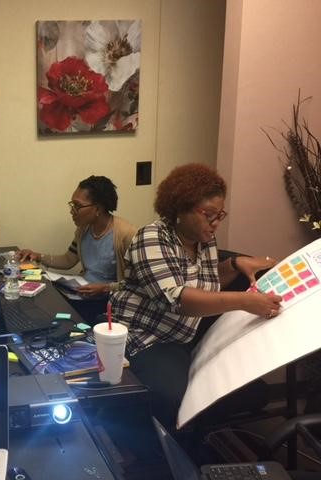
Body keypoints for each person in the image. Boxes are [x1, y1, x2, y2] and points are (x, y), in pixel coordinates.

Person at [110, 163, 282, 428]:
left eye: (220, 215)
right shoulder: (152, 237)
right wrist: (245, 301)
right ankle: (176, 455)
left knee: (246, 390)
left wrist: (234, 265)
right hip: (146, 336)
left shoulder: (205, 240)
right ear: (180, 208)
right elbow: (178, 298)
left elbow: (205, 284)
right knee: (179, 400)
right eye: (208, 214)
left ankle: (203, 441)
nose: (215, 223)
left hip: (184, 336)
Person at [18, 175, 137, 322]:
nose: (72, 211)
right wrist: (38, 256)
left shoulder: (126, 234)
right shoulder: (83, 230)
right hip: (83, 294)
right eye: (72, 205)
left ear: (98, 208)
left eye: (77, 206)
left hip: (109, 304)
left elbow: (136, 284)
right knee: (43, 304)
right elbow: (69, 259)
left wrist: (105, 288)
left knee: (58, 317)